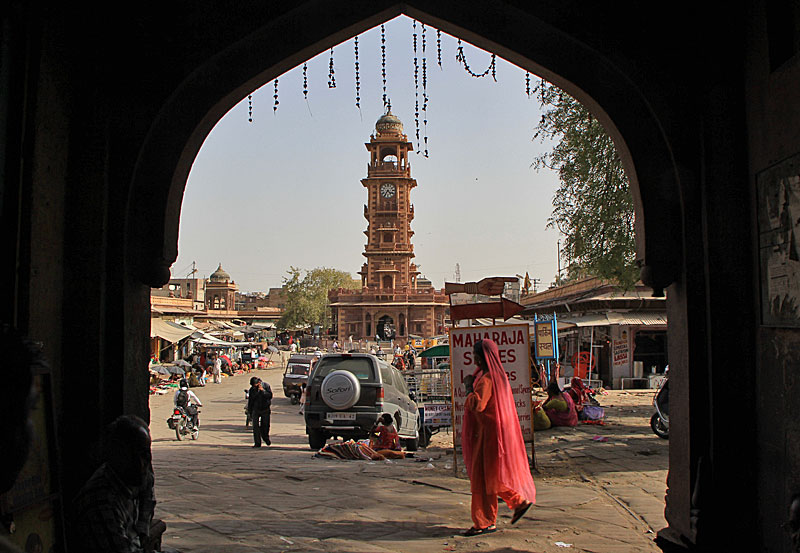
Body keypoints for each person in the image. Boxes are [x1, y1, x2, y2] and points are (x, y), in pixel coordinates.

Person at [461, 339, 535, 536]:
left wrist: (468, 387)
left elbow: (478, 405)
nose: (473, 357)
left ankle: (484, 522)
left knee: (482, 479)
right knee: (492, 477)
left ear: (482, 357)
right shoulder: (498, 376)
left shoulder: (486, 380)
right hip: (494, 434)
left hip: (487, 437)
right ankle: (518, 502)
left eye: (475, 354)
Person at [73, 415, 165, 553]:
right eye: (132, 456)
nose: (141, 464)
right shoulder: (102, 502)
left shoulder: (137, 474)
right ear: (115, 455)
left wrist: (142, 530)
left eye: (145, 454)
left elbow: (148, 494)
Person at [247, 377, 273, 447]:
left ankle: (266, 438)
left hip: (265, 409)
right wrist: (250, 411)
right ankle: (257, 443)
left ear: (258, 383)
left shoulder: (266, 386)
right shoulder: (252, 390)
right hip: (256, 409)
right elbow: (250, 401)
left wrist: (263, 391)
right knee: (255, 427)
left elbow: (270, 396)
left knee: (265, 425)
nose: (254, 387)